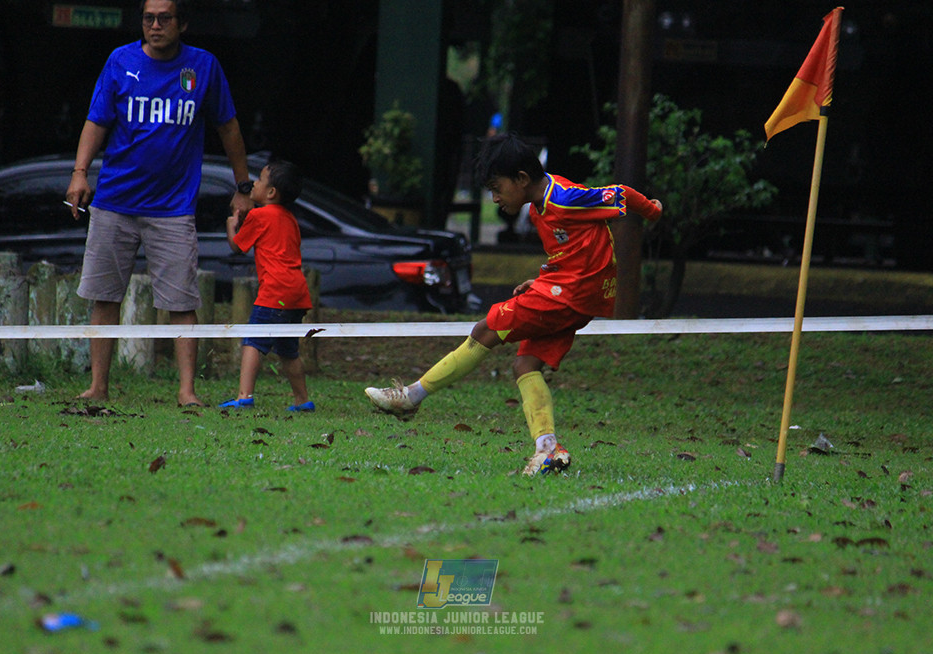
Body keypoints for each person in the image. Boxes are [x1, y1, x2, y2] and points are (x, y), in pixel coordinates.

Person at [365, 133, 663, 475]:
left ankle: (411, 397)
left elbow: (622, 194)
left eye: (497, 187)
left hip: (573, 294)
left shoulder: (563, 198)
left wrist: (652, 211)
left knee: (486, 328)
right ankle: (548, 449)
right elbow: (572, 251)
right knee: (525, 367)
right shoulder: (539, 207)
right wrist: (542, 279)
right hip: (571, 293)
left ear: (521, 179)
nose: (494, 198)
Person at [65, 0, 252, 407]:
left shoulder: (203, 67)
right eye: (148, 18)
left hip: (172, 208)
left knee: (182, 301)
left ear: (182, 23)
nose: (155, 25)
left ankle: (187, 391)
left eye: (164, 18)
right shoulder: (120, 61)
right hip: (115, 200)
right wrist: (81, 172)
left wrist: (243, 185)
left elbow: (228, 126)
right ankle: (98, 386)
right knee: (104, 296)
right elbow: (96, 121)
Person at [218, 159, 314, 412]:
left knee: (252, 341)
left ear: (271, 192)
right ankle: (302, 400)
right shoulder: (290, 218)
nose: (254, 184)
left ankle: (244, 396)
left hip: (275, 292)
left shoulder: (259, 216)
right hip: (296, 292)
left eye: (259, 180)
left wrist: (231, 226)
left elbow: (238, 246)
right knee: (288, 349)